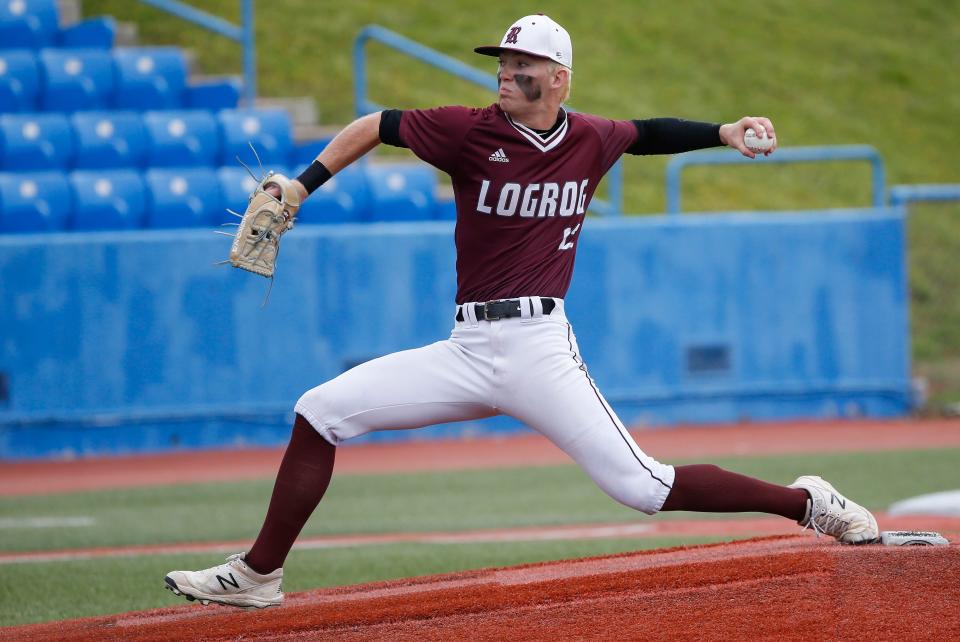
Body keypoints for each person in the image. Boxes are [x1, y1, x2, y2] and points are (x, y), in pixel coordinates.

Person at [164, 14, 878, 609]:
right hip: (467, 348)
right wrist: (304, 184)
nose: (507, 70)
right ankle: (259, 575)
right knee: (319, 411)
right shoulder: (467, 130)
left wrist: (722, 131)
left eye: (523, 62)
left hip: (540, 347)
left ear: (559, 77)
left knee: (644, 487)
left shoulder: (591, 137)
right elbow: (375, 123)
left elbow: (646, 131)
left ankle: (806, 502)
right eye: (503, 59)